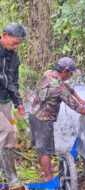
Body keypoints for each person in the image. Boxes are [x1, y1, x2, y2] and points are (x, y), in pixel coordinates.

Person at [28, 57, 85, 181]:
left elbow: (68, 87)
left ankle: (46, 170)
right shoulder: (59, 88)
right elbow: (76, 108)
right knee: (44, 150)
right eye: (70, 73)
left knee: (41, 147)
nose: (71, 75)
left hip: (33, 113)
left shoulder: (50, 73)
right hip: (42, 119)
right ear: (64, 71)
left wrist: (79, 98)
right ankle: (49, 178)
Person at [0, 23, 28, 190]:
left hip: (4, 101)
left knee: (12, 134)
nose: (16, 46)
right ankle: (11, 178)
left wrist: (19, 103)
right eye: (14, 42)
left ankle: (8, 173)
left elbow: (12, 82)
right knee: (6, 131)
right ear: (4, 35)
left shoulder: (14, 57)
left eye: (19, 44)